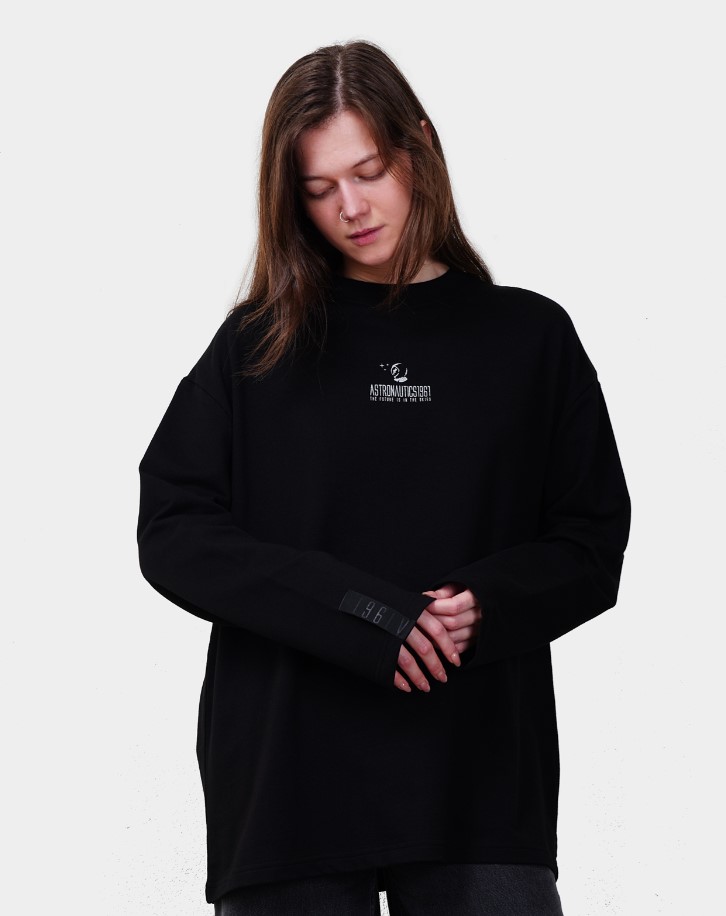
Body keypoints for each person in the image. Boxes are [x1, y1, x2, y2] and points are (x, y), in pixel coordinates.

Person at [137, 39, 631, 915]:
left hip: (480, 781)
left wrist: (483, 604)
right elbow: (173, 529)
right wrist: (362, 611)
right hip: (289, 785)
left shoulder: (528, 338)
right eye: (319, 188)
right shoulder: (258, 345)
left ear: (419, 147)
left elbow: (592, 539)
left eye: (368, 172)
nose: (352, 208)